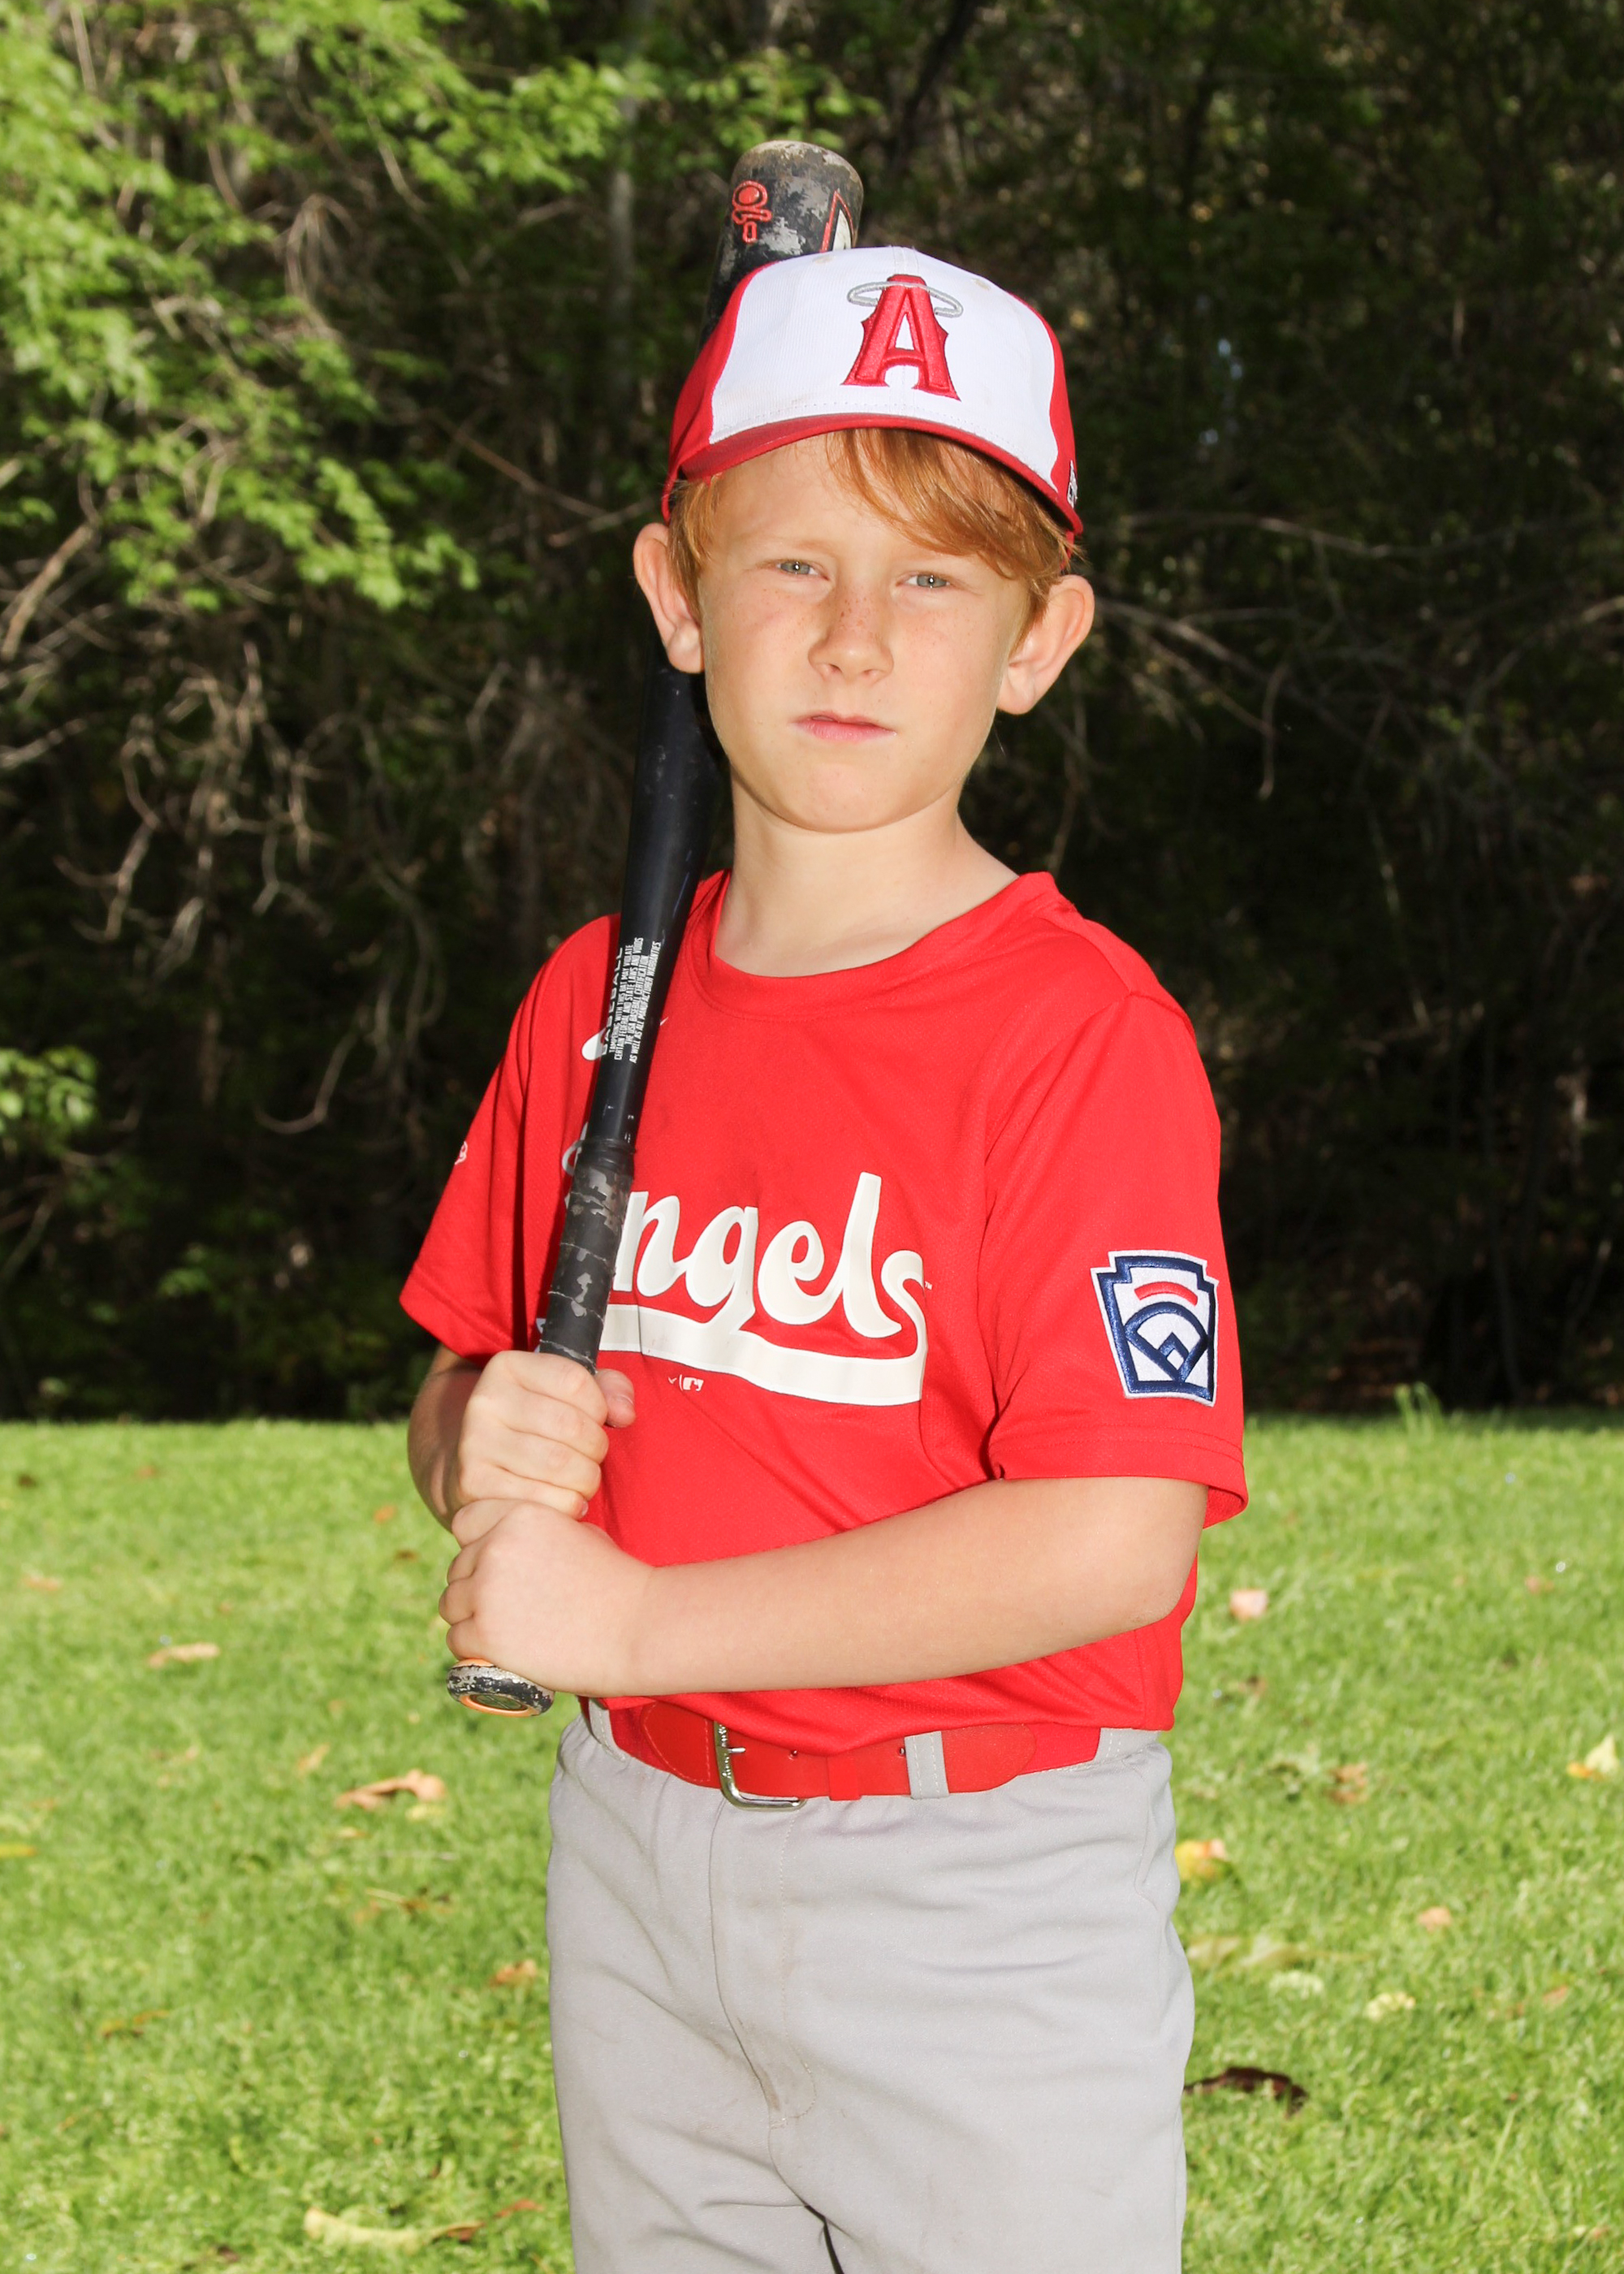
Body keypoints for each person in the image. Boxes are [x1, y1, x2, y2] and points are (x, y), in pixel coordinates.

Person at [404, 245, 1246, 2274]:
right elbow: (468, 1393)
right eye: (793, 564)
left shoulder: (1075, 1034)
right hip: (639, 1843)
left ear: (1038, 640)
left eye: (934, 578)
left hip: (974, 1883)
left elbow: (1111, 1536)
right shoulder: (594, 1003)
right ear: (678, 598)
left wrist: (627, 1621)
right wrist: (467, 1433)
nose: (856, 636)